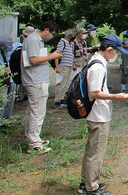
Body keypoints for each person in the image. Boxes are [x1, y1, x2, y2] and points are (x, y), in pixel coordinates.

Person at [79, 35, 128, 195]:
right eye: (115, 52)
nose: (115, 55)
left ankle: (86, 182)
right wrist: (116, 96)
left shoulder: (95, 61)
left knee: (91, 150)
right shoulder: (98, 67)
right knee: (96, 152)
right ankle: (91, 189)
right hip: (98, 115)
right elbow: (94, 93)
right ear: (109, 50)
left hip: (96, 113)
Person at [21, 20, 62, 153]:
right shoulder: (33, 40)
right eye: (51, 33)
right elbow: (33, 60)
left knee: (33, 111)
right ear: (46, 30)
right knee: (37, 113)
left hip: (36, 80)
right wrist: (52, 56)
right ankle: (34, 144)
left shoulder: (36, 40)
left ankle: (32, 138)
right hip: (35, 81)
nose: (50, 37)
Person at [0, 35, 22, 124]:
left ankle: (6, 120)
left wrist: (11, 67)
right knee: (3, 100)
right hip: (2, 77)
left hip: (13, 77)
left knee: (11, 99)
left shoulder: (18, 47)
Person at [54, 29, 77, 109]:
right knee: (61, 83)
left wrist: (73, 64)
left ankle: (62, 98)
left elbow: (72, 55)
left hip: (69, 65)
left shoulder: (71, 44)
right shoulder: (62, 42)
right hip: (63, 65)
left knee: (66, 83)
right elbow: (57, 55)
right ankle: (57, 100)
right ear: (69, 35)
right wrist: (57, 67)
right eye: (73, 35)